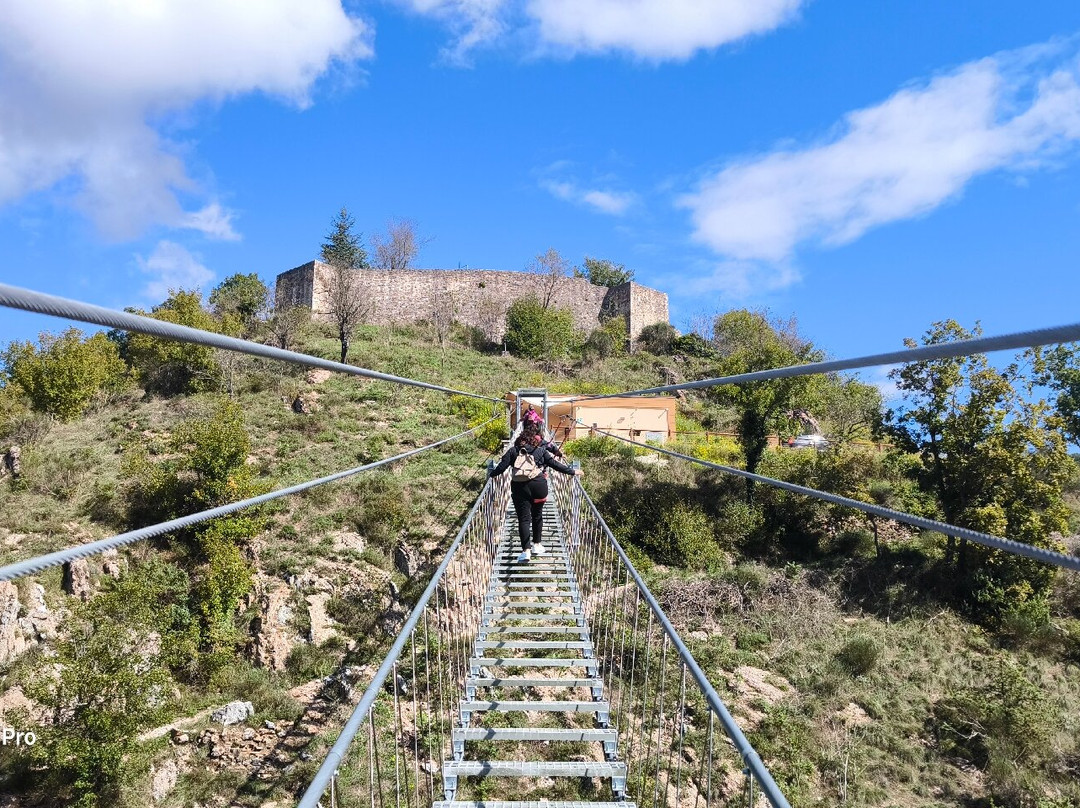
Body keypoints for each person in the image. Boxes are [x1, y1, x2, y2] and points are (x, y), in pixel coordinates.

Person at [490, 420, 582, 562]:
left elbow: (501, 468)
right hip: (539, 487)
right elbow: (555, 465)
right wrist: (573, 472)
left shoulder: (513, 451)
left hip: (520, 488)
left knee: (524, 519)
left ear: (519, 439)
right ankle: (537, 545)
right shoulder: (541, 451)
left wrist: (491, 474)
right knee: (537, 515)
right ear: (535, 439)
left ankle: (526, 551)